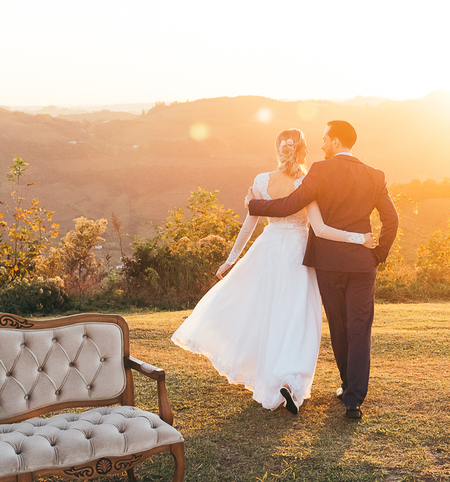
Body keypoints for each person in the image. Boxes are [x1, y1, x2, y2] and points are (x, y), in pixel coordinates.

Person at [171, 128, 374, 414]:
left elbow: (249, 225)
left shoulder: (261, 181)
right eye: (306, 147)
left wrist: (231, 259)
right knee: (298, 319)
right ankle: (290, 381)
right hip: (298, 256)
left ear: (280, 149)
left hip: (267, 251)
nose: (310, 149)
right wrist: (359, 238)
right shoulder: (307, 182)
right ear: (300, 151)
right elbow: (319, 228)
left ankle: (273, 379)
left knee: (265, 315)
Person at [247, 120, 399, 420]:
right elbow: (391, 220)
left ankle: (348, 386)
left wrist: (254, 205)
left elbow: (290, 204)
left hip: (329, 264)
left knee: (340, 327)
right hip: (362, 264)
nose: (321, 145)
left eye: (325, 139)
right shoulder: (375, 175)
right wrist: (377, 255)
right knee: (360, 329)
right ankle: (353, 399)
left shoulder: (320, 170)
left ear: (336, 141)